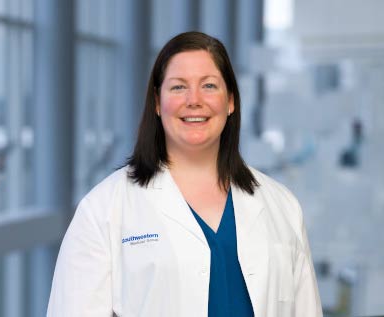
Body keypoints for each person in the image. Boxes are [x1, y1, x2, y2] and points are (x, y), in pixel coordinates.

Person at [47, 31, 322, 317]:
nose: (194, 100)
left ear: (230, 101)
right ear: (157, 102)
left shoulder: (283, 206)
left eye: (209, 86)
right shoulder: (104, 210)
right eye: (178, 87)